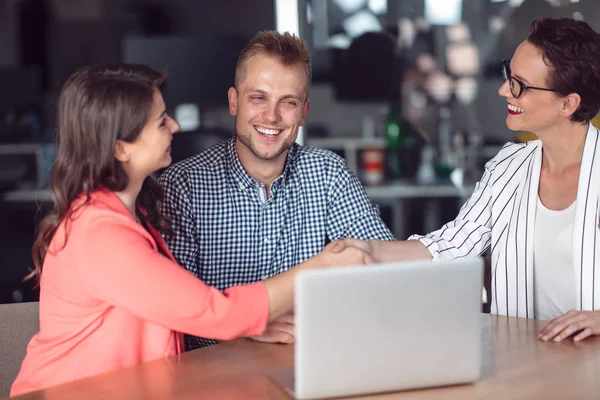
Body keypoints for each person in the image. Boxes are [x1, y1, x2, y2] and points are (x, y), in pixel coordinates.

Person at [10, 64, 372, 396]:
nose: (175, 127)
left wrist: (247, 326)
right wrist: (321, 268)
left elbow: (178, 309)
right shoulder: (101, 236)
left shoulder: (127, 214)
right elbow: (215, 312)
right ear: (120, 147)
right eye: (161, 121)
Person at [337, 17, 600, 343]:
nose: (504, 90)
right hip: (523, 362)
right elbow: (450, 246)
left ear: (568, 103)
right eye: (508, 75)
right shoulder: (508, 166)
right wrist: (368, 249)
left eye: (519, 84)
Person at [158, 31, 394, 350]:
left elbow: (383, 271)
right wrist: (245, 325)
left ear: (304, 112)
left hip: (313, 367)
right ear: (233, 101)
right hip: (216, 380)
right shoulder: (182, 185)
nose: (271, 116)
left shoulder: (328, 175)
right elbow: (172, 311)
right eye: (259, 97)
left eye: (288, 102)